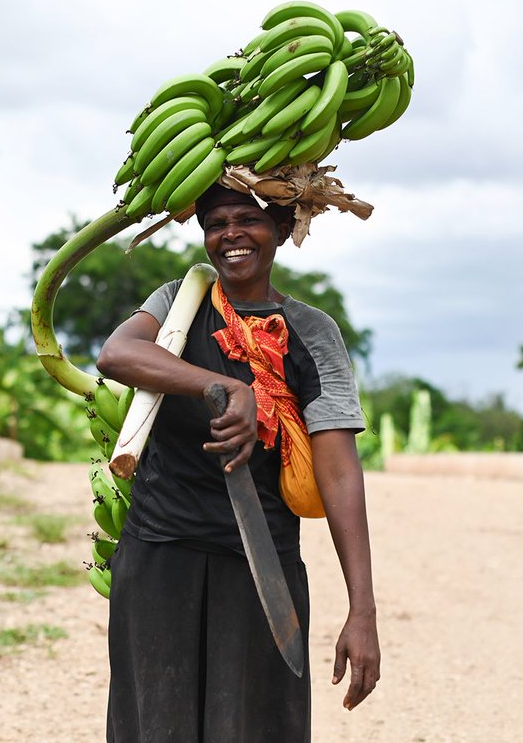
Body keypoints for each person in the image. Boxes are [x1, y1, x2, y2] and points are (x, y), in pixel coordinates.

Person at [96, 183, 380, 742]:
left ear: (279, 228)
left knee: (251, 729)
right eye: (216, 222)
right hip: (160, 553)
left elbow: (341, 473)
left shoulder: (311, 332)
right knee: (155, 726)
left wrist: (362, 610)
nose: (231, 234)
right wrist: (223, 387)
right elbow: (117, 354)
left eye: (247, 219)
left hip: (261, 566)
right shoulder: (179, 305)